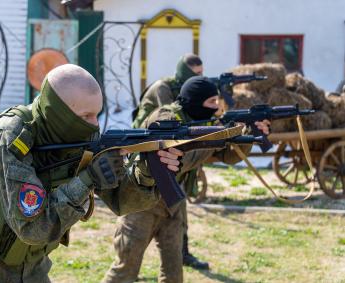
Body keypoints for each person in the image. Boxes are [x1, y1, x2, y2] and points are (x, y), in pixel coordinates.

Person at [0, 64, 183, 283]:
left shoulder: (79, 134)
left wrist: (146, 171)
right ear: (60, 112)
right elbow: (32, 228)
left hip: (34, 266)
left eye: (97, 114)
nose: (94, 126)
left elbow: (121, 200)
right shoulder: (11, 136)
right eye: (85, 116)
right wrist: (87, 179)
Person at [103, 77, 270, 283]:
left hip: (173, 205)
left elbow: (229, 157)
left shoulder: (204, 122)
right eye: (211, 102)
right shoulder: (165, 117)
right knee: (125, 271)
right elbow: (176, 157)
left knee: (174, 274)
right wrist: (213, 139)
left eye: (217, 101)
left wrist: (246, 133)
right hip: (142, 204)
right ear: (195, 101)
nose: (216, 107)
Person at [132, 53, 209, 270]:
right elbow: (172, 122)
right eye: (196, 74)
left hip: (168, 149)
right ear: (184, 72)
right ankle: (129, 264)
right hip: (147, 146)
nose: (199, 77)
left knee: (178, 203)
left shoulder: (182, 88)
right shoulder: (162, 88)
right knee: (144, 217)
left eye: (202, 74)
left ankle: (182, 253)